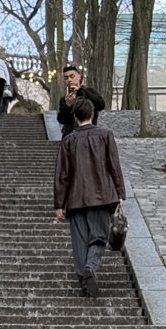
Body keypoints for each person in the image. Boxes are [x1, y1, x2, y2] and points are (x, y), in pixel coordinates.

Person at [53, 96, 125, 297]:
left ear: (75, 117)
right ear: (92, 114)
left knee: (79, 242)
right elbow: (114, 165)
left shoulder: (69, 140)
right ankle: (90, 267)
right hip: (102, 196)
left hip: (75, 199)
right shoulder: (105, 135)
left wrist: (59, 204)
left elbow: (62, 174)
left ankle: (83, 281)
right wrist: (120, 193)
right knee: (99, 237)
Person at [56, 64, 105, 135]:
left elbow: (101, 105)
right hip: (71, 135)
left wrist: (80, 90)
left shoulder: (89, 92)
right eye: (66, 78)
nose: (69, 80)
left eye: (72, 76)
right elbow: (62, 120)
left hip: (89, 133)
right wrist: (67, 106)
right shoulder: (65, 99)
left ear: (79, 76)